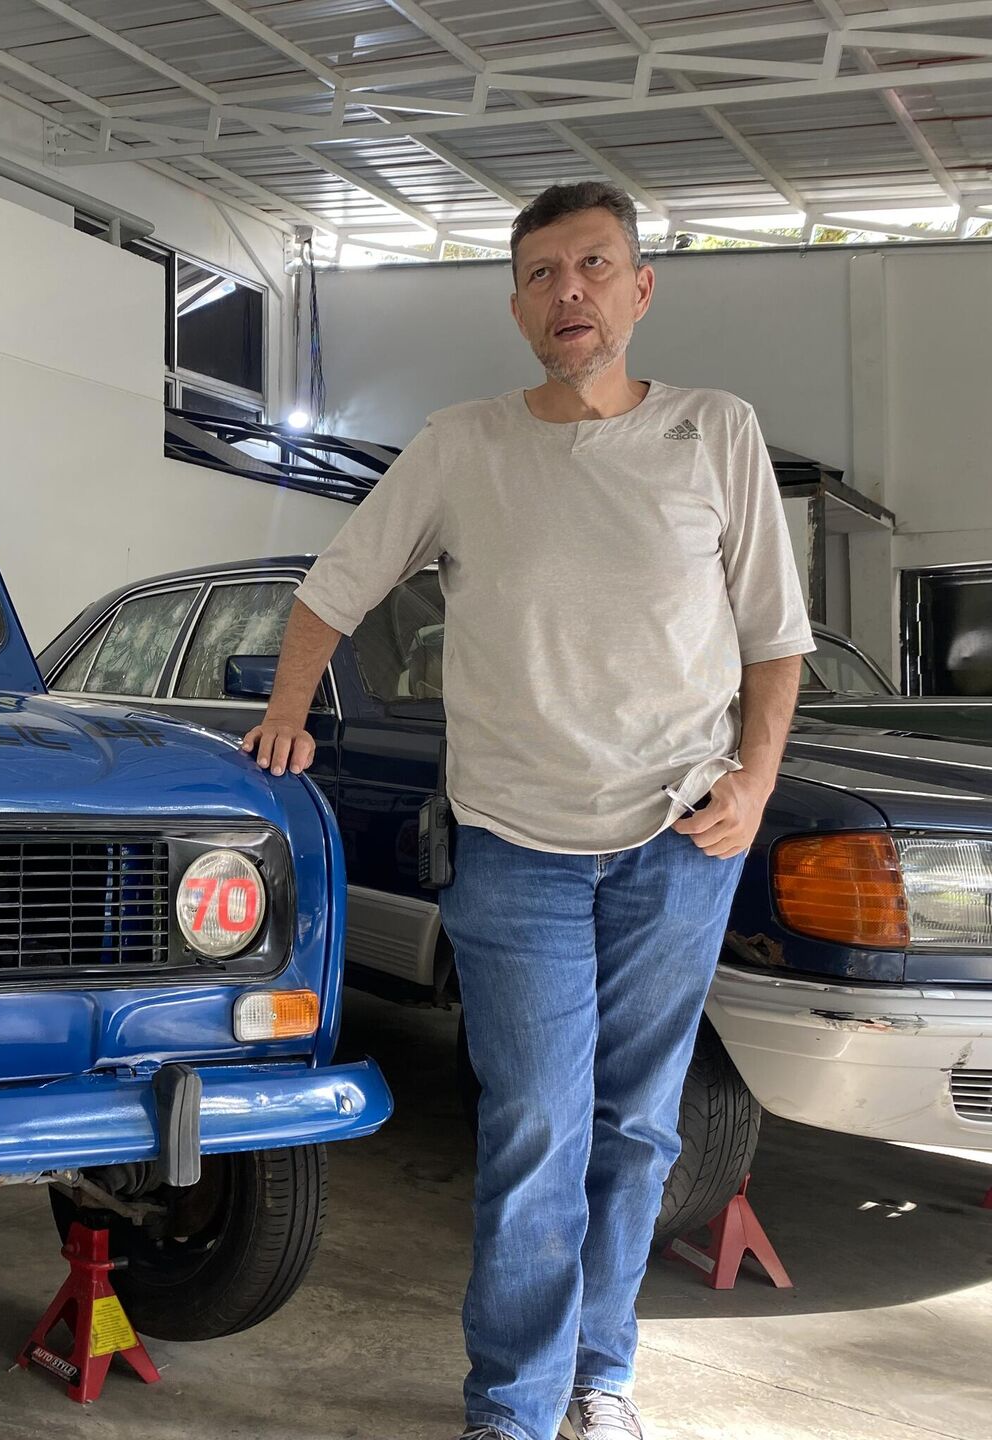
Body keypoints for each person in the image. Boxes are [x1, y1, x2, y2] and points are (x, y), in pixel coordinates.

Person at [242, 181, 813, 1440]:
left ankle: (600, 1378)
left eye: (595, 265)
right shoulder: (462, 444)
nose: (571, 291)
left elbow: (775, 637)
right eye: (544, 272)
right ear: (515, 303)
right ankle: (511, 1401)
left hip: (679, 842)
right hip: (515, 849)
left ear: (640, 287)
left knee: (637, 1127)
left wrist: (756, 781)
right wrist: (286, 710)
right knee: (537, 1126)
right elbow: (332, 586)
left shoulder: (716, 432)